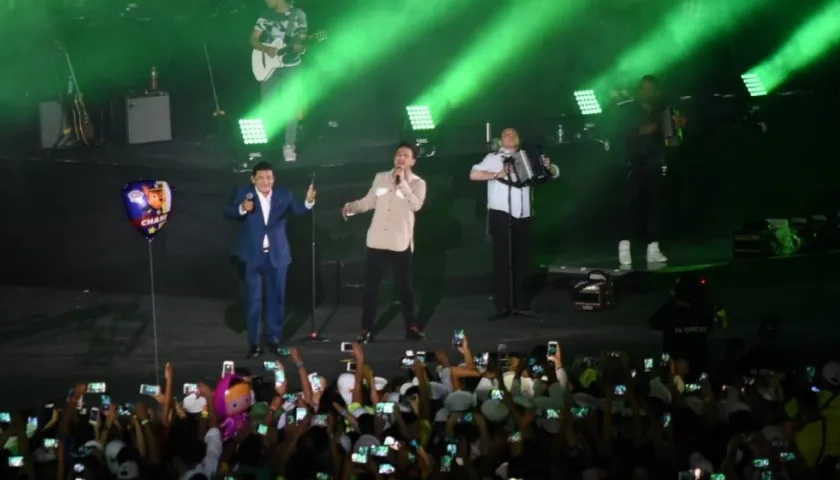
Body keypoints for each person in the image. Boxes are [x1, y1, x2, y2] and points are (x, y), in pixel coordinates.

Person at [224, 161, 316, 358]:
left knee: (277, 300)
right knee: (254, 301)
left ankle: (274, 340)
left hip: (278, 256)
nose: (266, 182)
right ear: (253, 179)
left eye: (269, 177)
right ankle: (255, 344)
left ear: (274, 178)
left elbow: (299, 210)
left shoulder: (284, 194)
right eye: (261, 178)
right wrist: (242, 208)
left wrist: (308, 202)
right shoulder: (244, 193)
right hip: (253, 256)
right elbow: (228, 212)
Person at [469, 128, 559, 318]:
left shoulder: (526, 156)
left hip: (524, 214)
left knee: (523, 261)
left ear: (518, 139)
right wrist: (498, 174)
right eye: (505, 134)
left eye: (513, 134)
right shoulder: (493, 157)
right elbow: (473, 175)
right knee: (503, 261)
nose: (509, 136)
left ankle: (521, 303)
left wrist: (548, 167)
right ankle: (503, 305)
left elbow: (553, 174)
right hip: (501, 213)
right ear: (500, 140)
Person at [342, 143, 427, 343]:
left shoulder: (418, 183)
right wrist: (351, 208)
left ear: (412, 161)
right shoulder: (381, 178)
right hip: (377, 240)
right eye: (398, 154)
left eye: (406, 155)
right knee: (371, 288)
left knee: (404, 287)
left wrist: (402, 184)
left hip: (400, 242)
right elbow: (370, 200)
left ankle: (411, 327)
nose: (401, 158)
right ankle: (366, 329)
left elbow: (415, 205)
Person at [618, 74, 686, 265]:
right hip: (634, 163)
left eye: (650, 89)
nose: (646, 93)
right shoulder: (630, 110)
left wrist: (678, 125)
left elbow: (674, 141)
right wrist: (660, 123)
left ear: (657, 91)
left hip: (656, 162)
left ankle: (653, 248)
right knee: (631, 206)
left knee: (656, 206)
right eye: (643, 88)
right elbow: (639, 131)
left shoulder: (664, 109)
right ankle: (624, 247)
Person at [250, 0, 309, 162]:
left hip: (292, 65)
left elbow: (302, 39)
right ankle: (262, 147)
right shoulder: (265, 16)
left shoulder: (299, 15)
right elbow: (253, 40)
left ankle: (289, 146)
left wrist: (300, 45)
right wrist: (265, 48)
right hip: (269, 66)